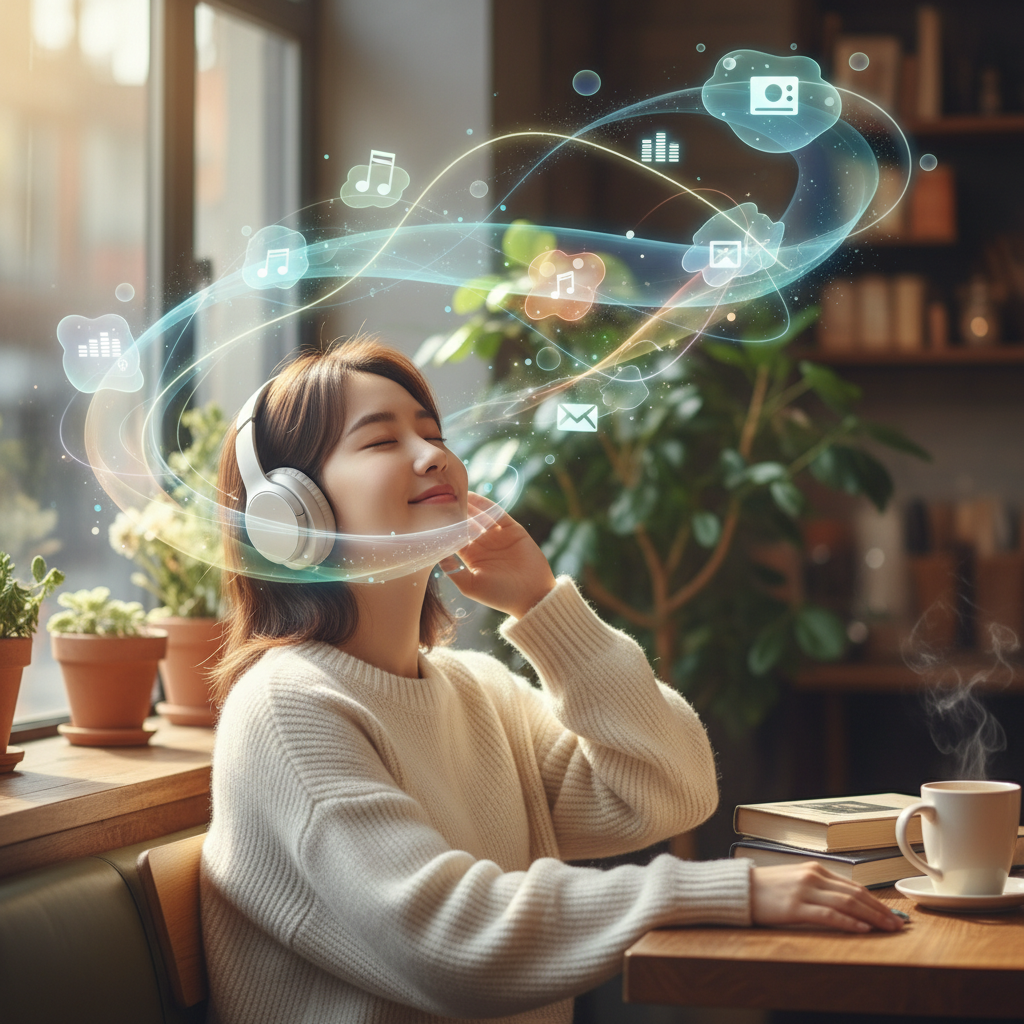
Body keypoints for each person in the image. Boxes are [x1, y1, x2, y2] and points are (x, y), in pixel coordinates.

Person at [200, 338, 902, 1024]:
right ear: (290, 516)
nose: (433, 455)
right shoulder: (287, 707)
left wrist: (543, 606)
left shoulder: (477, 692)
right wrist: (729, 892)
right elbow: (452, 941)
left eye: (432, 432)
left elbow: (671, 791)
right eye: (382, 441)